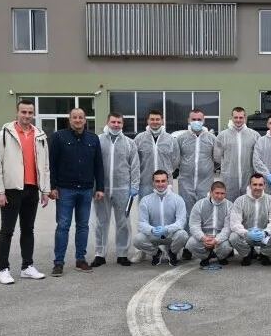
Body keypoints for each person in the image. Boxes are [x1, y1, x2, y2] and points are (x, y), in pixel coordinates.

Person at [0, 99, 51, 284]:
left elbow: (45, 165)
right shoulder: (4, 135)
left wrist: (45, 190)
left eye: (30, 112)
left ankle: (27, 267)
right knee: (7, 231)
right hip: (11, 190)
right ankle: (3, 269)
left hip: (32, 189)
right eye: (23, 112)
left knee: (28, 229)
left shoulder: (40, 136)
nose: (27, 115)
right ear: (17, 113)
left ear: (34, 114)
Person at [49, 108, 104, 277]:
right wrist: (52, 187)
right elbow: (51, 163)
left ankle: (80, 259)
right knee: (63, 226)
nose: (78, 120)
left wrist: (100, 187)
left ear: (85, 120)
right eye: (75, 117)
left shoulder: (93, 139)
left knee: (83, 226)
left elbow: (98, 165)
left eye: (81, 117)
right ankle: (58, 262)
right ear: (70, 120)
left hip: (86, 190)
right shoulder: (59, 137)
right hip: (65, 190)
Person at [92, 112, 140, 268]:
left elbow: (135, 165)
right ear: (108, 122)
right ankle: (100, 254)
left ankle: (122, 254)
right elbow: (92, 164)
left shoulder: (129, 143)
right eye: (113, 122)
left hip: (122, 189)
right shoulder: (98, 141)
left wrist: (134, 185)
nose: (116, 125)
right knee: (101, 222)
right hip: (101, 189)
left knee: (123, 222)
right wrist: (94, 185)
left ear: (122, 124)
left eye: (119, 122)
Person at [175, 109, 217, 260]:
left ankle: (207, 245)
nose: (196, 122)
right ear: (188, 120)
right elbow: (176, 159)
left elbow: (217, 159)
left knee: (205, 213)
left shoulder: (211, 138)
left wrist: (208, 171)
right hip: (186, 181)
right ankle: (188, 246)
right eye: (194, 119)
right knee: (187, 214)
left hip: (205, 182)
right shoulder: (181, 138)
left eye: (199, 119)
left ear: (204, 120)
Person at [133, 170, 189, 266]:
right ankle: (156, 253)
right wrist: (152, 229)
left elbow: (181, 221)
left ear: (167, 182)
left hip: (170, 234)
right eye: (157, 181)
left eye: (163, 181)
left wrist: (167, 229)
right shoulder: (146, 200)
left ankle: (172, 253)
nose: (160, 184)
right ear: (153, 183)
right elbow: (142, 223)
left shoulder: (178, 199)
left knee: (183, 235)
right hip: (154, 235)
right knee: (137, 239)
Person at [229, 173, 271, 266]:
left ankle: (264, 254)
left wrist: (266, 232)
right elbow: (235, 223)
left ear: (264, 186)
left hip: (264, 235)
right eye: (255, 184)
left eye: (260, 184)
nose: (258, 187)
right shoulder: (240, 201)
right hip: (246, 235)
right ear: (250, 185)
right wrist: (246, 233)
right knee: (233, 237)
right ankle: (247, 254)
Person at [214, 107, 260, 202]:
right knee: (229, 204)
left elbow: (258, 157)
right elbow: (217, 156)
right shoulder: (223, 136)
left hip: (248, 178)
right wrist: (228, 166)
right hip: (229, 179)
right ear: (232, 118)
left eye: (241, 117)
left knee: (247, 203)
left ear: (245, 118)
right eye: (236, 117)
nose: (238, 120)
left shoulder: (254, 135)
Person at [186, 181, 234, 267]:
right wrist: (203, 238)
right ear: (211, 192)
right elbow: (194, 225)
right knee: (191, 243)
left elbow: (228, 227)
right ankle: (205, 257)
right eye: (217, 193)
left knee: (226, 246)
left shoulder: (229, 206)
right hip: (205, 237)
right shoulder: (199, 205)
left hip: (221, 238)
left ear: (225, 193)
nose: (219, 196)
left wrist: (217, 240)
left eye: (222, 193)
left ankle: (221, 256)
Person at [134, 109, 179, 198]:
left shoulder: (170, 140)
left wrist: (167, 171)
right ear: (148, 121)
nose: (155, 122)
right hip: (145, 183)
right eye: (152, 119)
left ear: (162, 121)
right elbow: (135, 161)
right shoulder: (139, 139)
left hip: (165, 182)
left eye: (157, 119)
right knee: (146, 205)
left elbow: (175, 160)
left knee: (165, 206)